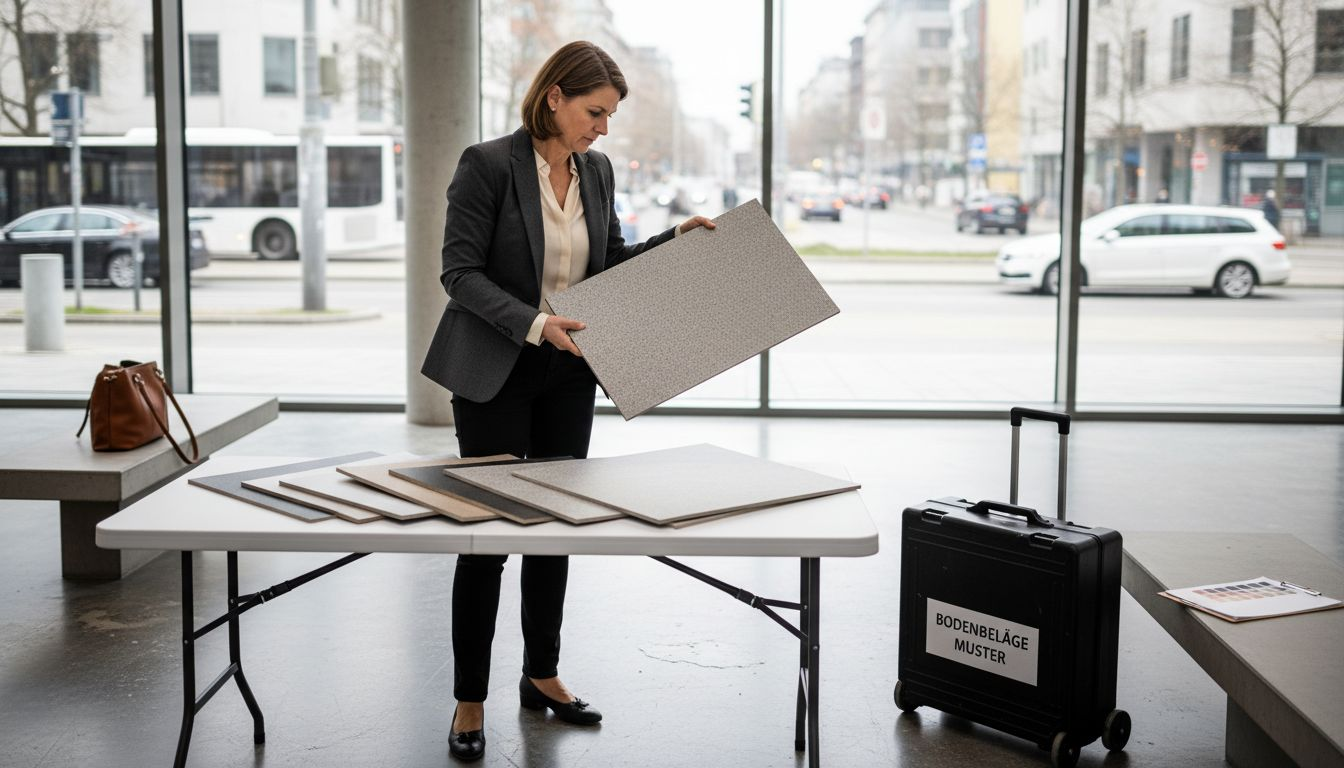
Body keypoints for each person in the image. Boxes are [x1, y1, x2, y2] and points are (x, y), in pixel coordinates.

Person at [419, 41, 716, 763]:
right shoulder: (487, 165)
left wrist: (672, 242)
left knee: (554, 527)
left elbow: (605, 266)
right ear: (554, 97)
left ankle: (541, 674)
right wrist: (534, 323)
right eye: (595, 112)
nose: (603, 129)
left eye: (610, 116)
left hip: (568, 372)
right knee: (487, 538)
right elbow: (458, 273)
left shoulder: (597, 171)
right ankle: (469, 698)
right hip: (495, 370)